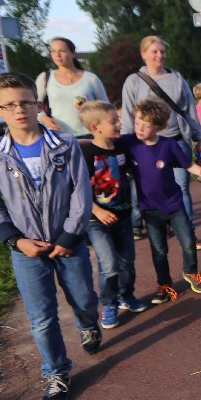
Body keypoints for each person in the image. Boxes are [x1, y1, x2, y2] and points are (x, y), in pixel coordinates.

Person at [0, 72, 99, 400]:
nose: (19, 110)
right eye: (10, 105)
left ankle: (88, 324)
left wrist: (69, 235)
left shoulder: (65, 144)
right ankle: (56, 372)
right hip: (27, 250)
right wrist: (15, 241)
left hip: (68, 244)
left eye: (26, 102)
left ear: (38, 105)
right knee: (42, 317)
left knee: (84, 299)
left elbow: (81, 193)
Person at [122, 98, 201, 303]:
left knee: (188, 242)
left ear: (159, 126)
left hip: (174, 204)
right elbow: (105, 144)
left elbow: (188, 165)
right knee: (159, 250)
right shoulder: (129, 142)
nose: (139, 128)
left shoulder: (168, 144)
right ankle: (164, 284)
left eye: (146, 125)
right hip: (150, 208)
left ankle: (191, 272)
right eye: (137, 122)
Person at [120, 36, 201, 247]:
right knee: (148, 185)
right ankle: (156, 224)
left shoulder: (176, 78)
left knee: (182, 188)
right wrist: (125, 145)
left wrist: (199, 138)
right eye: (154, 51)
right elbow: (129, 115)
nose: (159, 55)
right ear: (144, 54)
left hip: (175, 139)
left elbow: (189, 110)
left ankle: (189, 232)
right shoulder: (134, 81)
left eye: (162, 51)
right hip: (145, 144)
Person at [78, 100, 148, 333]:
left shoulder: (121, 147)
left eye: (118, 120)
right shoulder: (86, 152)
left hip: (123, 215)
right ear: (95, 127)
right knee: (109, 264)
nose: (119, 124)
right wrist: (97, 210)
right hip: (96, 220)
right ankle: (109, 303)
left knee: (127, 261)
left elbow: (130, 169)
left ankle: (126, 295)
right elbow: (78, 187)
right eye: (113, 121)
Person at [37, 37, 110, 137]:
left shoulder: (91, 78)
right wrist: (43, 118)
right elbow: (34, 106)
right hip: (60, 137)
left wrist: (89, 106)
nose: (57, 55)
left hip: (91, 136)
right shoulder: (45, 78)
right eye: (53, 51)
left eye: (62, 51)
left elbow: (106, 108)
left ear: (73, 54)